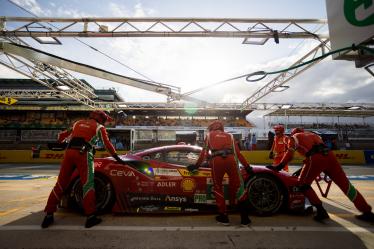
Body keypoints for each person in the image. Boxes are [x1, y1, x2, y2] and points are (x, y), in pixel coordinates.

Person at [268, 127, 374, 222]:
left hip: (315, 159)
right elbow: (315, 152)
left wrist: (278, 167)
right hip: (330, 157)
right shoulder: (314, 135)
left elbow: (290, 154)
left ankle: (321, 211)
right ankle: (367, 212)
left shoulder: (294, 137)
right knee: (346, 185)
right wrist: (304, 169)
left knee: (303, 184)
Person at [41, 110, 125, 228]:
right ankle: (90, 217)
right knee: (88, 185)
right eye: (104, 119)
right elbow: (107, 144)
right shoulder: (99, 127)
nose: (105, 122)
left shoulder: (78, 123)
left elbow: (61, 136)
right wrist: (117, 157)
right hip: (83, 154)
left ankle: (48, 215)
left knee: (60, 184)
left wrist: (59, 141)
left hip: (69, 153)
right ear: (100, 118)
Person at [188, 120, 253, 226]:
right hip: (231, 160)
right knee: (238, 187)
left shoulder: (209, 136)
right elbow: (238, 154)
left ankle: (223, 217)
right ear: (222, 128)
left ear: (212, 128)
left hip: (217, 161)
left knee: (218, 187)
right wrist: (247, 166)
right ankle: (245, 218)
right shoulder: (230, 136)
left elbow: (204, 153)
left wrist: (196, 166)